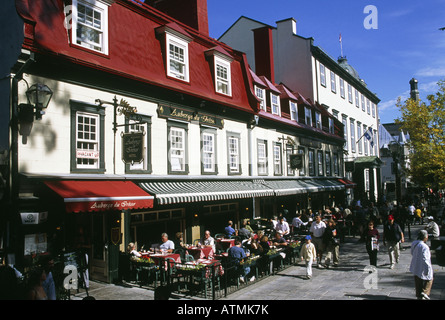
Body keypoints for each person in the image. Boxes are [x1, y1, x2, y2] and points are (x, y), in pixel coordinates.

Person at [410, 230, 434, 300]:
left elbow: (412, 252)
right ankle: (425, 292)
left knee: (418, 280)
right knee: (430, 278)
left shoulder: (414, 243)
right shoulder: (425, 246)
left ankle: (419, 295)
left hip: (415, 264)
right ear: (425, 237)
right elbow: (426, 259)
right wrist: (427, 269)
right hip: (422, 265)